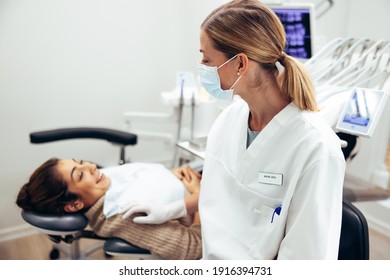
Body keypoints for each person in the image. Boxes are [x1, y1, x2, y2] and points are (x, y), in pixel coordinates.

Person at [127, 0, 346, 260]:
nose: (201, 66)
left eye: (207, 59)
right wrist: (174, 209)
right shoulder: (230, 119)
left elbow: (308, 258)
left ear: (241, 64)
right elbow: (223, 190)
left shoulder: (316, 148)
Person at [16, 158, 202, 260]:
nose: (91, 166)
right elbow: (193, 249)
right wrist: (199, 196)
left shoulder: (106, 183)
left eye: (80, 162)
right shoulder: (126, 213)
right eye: (80, 174)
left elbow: (146, 180)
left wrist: (172, 175)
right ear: (74, 205)